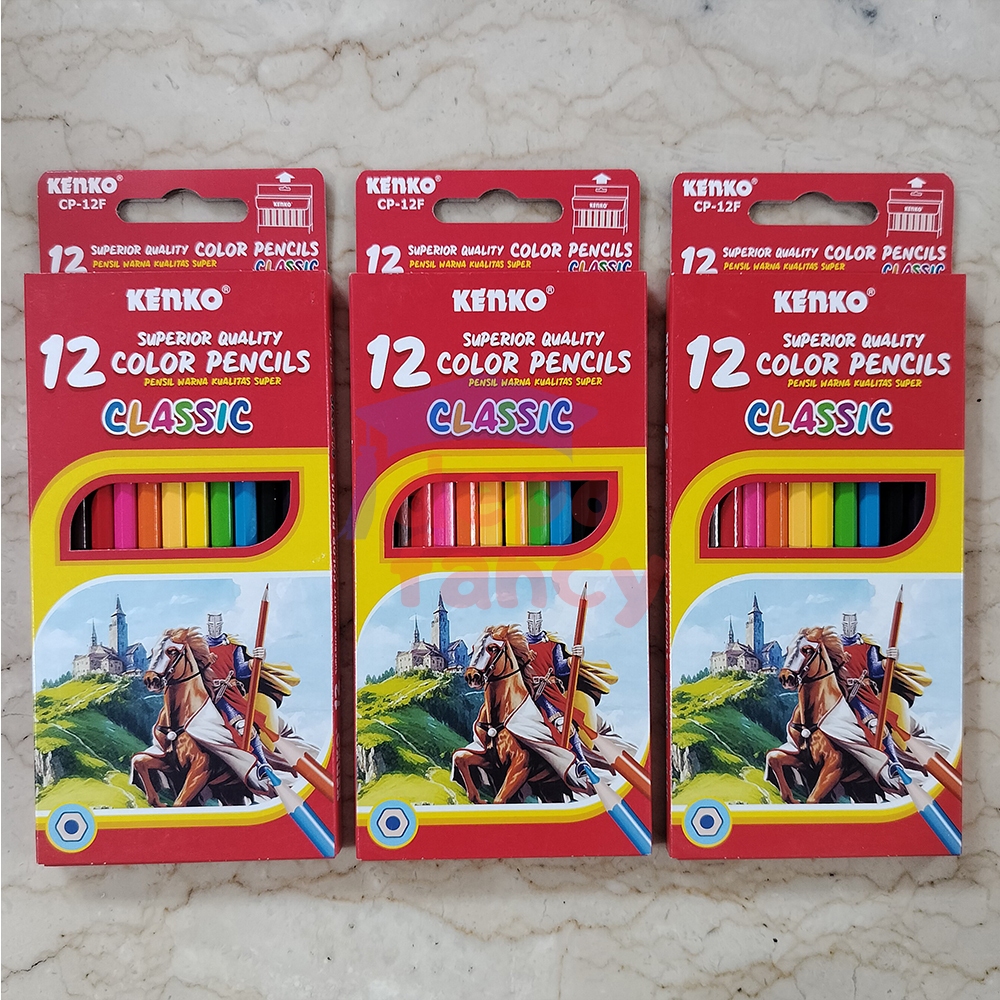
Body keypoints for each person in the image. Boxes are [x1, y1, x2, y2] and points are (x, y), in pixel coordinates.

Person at [523, 608, 635, 772]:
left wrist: (574, 659)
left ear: (540, 622)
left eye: (537, 622)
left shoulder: (552, 644)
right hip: (524, 691)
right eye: (531, 622)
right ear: (527, 623)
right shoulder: (519, 644)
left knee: (562, 722)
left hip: (547, 692)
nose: (534, 625)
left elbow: (560, 669)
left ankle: (581, 761)